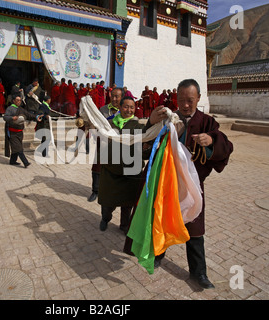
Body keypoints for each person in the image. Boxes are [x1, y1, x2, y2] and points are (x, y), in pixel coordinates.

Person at [146, 79, 233, 289]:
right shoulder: (168, 119)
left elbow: (226, 144)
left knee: (194, 229)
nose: (185, 105)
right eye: (182, 100)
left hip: (192, 186)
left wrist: (211, 141)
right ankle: (158, 255)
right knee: (164, 221)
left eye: (190, 100)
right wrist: (150, 122)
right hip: (168, 184)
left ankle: (198, 273)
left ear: (199, 99)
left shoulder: (206, 122)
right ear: (176, 98)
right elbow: (147, 141)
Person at [97, 96, 151, 233]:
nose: (129, 110)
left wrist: (146, 149)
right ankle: (105, 218)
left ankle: (125, 225)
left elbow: (144, 148)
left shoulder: (139, 126)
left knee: (128, 203)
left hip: (130, 172)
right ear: (120, 108)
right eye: (126, 107)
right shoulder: (109, 124)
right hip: (111, 170)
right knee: (108, 202)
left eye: (132, 107)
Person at [88, 87, 124, 202]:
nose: (114, 99)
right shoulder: (103, 109)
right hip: (102, 143)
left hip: (118, 145)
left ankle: (113, 190)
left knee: (116, 168)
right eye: (112, 96)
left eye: (117, 96)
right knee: (97, 167)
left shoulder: (124, 111)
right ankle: (95, 191)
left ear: (122, 97)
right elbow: (95, 122)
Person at [4, 94, 43, 168]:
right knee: (18, 148)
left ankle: (12, 161)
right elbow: (5, 117)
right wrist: (12, 118)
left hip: (19, 132)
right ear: (13, 101)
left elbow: (28, 115)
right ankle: (25, 162)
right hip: (12, 132)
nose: (19, 102)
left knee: (16, 146)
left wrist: (36, 117)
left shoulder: (21, 109)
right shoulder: (10, 109)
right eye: (17, 100)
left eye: (20, 100)